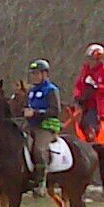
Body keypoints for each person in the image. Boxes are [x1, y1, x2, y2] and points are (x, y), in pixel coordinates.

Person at [22, 59, 63, 190]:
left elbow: (55, 110)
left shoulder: (51, 90)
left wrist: (36, 113)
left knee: (39, 150)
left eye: (36, 73)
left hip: (46, 126)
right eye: (32, 74)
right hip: (30, 126)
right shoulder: (32, 91)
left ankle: (41, 182)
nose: (34, 76)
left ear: (45, 74)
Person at [73, 43, 104, 142]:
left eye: (93, 59)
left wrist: (97, 87)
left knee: (89, 122)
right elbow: (79, 85)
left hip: (98, 106)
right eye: (89, 59)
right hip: (83, 104)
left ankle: (92, 143)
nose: (90, 62)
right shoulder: (85, 71)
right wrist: (78, 96)